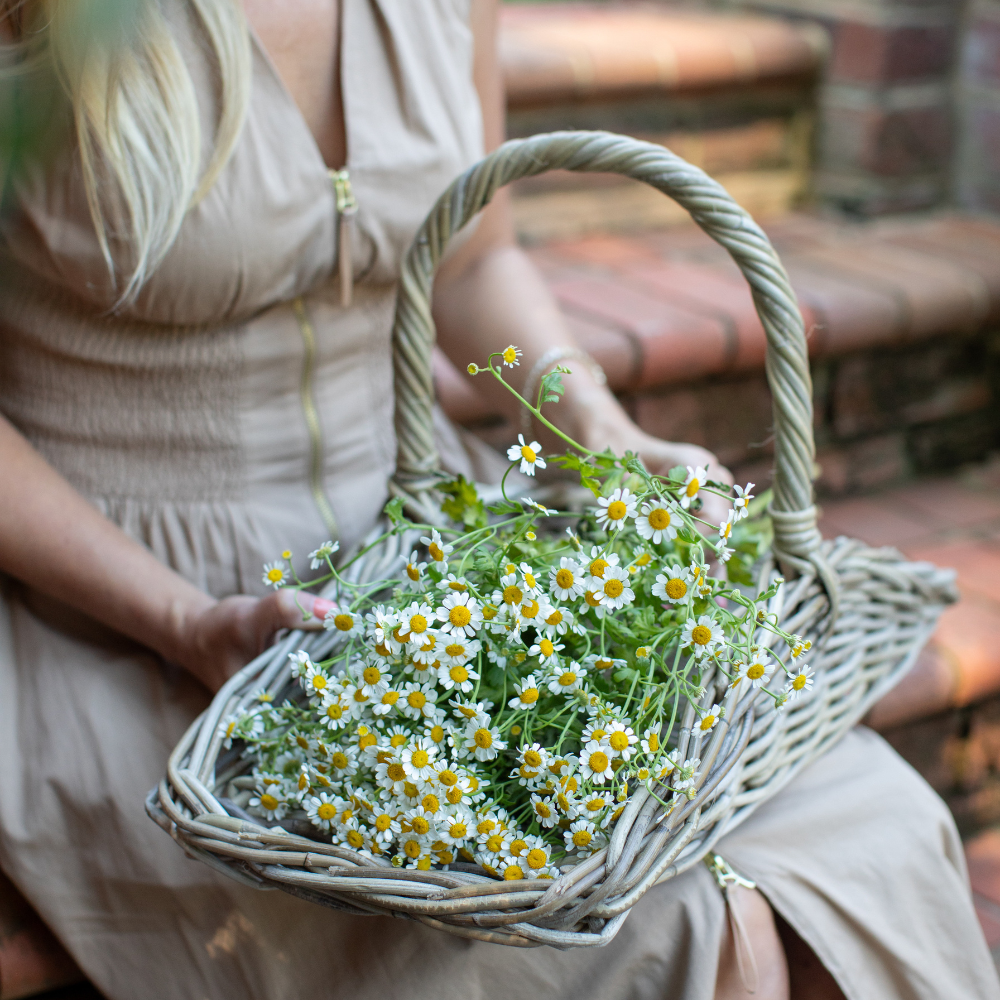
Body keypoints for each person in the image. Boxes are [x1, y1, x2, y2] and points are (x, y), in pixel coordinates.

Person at [0, 2, 994, 998]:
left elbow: (475, 260)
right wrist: (182, 619)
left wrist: (608, 440)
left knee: (872, 840)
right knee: (684, 924)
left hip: (431, 557)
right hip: (119, 610)